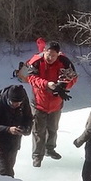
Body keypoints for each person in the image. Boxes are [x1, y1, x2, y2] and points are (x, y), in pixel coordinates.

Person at [25, 38, 77, 167]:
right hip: (38, 102)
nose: (50, 58)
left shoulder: (64, 62)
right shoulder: (37, 62)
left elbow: (73, 78)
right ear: (44, 51)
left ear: (58, 55)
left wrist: (63, 87)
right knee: (38, 131)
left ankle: (50, 149)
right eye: (49, 54)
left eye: (54, 55)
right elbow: (30, 78)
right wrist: (47, 84)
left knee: (53, 129)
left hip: (56, 103)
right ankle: (37, 156)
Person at [0, 84, 33, 177]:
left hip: (14, 141)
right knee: (6, 169)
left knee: (8, 168)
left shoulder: (23, 100)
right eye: (13, 102)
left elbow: (28, 117)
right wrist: (8, 129)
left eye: (18, 103)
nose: (16, 105)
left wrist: (26, 129)